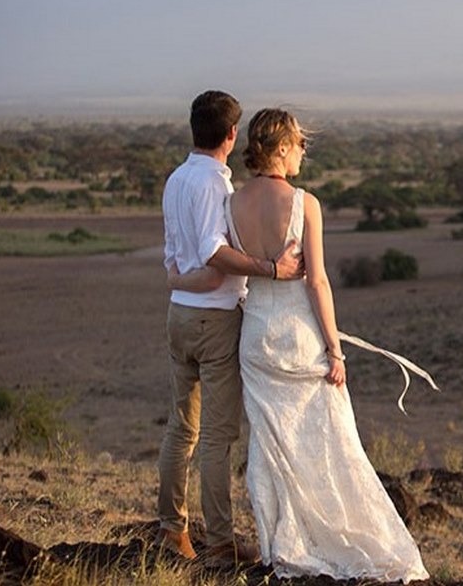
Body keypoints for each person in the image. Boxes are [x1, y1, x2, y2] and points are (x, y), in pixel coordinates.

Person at [169, 108, 430, 582]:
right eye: (300, 144)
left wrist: (180, 276)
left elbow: (225, 262)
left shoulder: (231, 204)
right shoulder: (305, 203)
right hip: (298, 337)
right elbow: (318, 283)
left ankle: (281, 544)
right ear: (283, 148)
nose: (304, 152)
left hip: (256, 338)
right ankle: (329, 537)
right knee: (332, 443)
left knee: (272, 447)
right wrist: (335, 349)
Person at [158, 91, 303, 565]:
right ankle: (219, 541)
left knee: (182, 430)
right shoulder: (216, 187)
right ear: (230, 134)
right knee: (218, 436)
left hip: (179, 313)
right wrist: (271, 269)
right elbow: (215, 257)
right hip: (214, 317)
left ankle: (171, 528)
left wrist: (179, 280)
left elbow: (175, 259)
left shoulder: (176, 180)